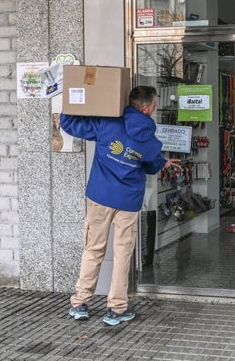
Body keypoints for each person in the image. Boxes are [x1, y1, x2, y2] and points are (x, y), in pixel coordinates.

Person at [60, 85, 180, 326]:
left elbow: (70, 125)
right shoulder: (149, 141)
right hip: (127, 202)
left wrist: (70, 103)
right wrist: (163, 163)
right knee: (123, 253)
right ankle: (116, 308)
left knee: (93, 249)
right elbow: (152, 165)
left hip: (100, 197)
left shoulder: (108, 124)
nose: (155, 108)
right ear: (145, 108)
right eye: (155, 105)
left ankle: (80, 303)